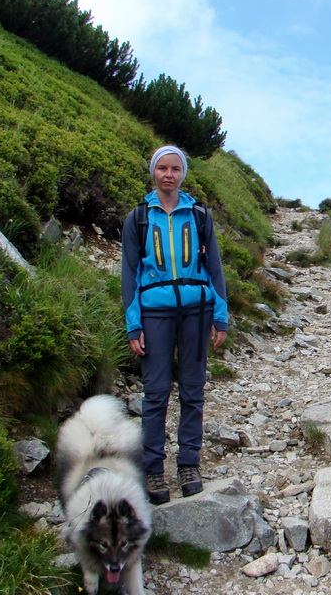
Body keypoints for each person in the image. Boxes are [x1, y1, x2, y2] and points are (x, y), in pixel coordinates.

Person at [121, 144, 228, 504]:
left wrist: (220, 315)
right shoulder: (138, 218)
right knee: (155, 393)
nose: (169, 174)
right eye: (162, 168)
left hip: (197, 311)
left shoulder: (199, 215)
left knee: (193, 390)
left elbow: (214, 268)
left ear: (183, 173)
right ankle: (152, 470)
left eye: (175, 169)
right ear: (154, 172)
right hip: (154, 313)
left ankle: (188, 464)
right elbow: (129, 276)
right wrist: (133, 324)